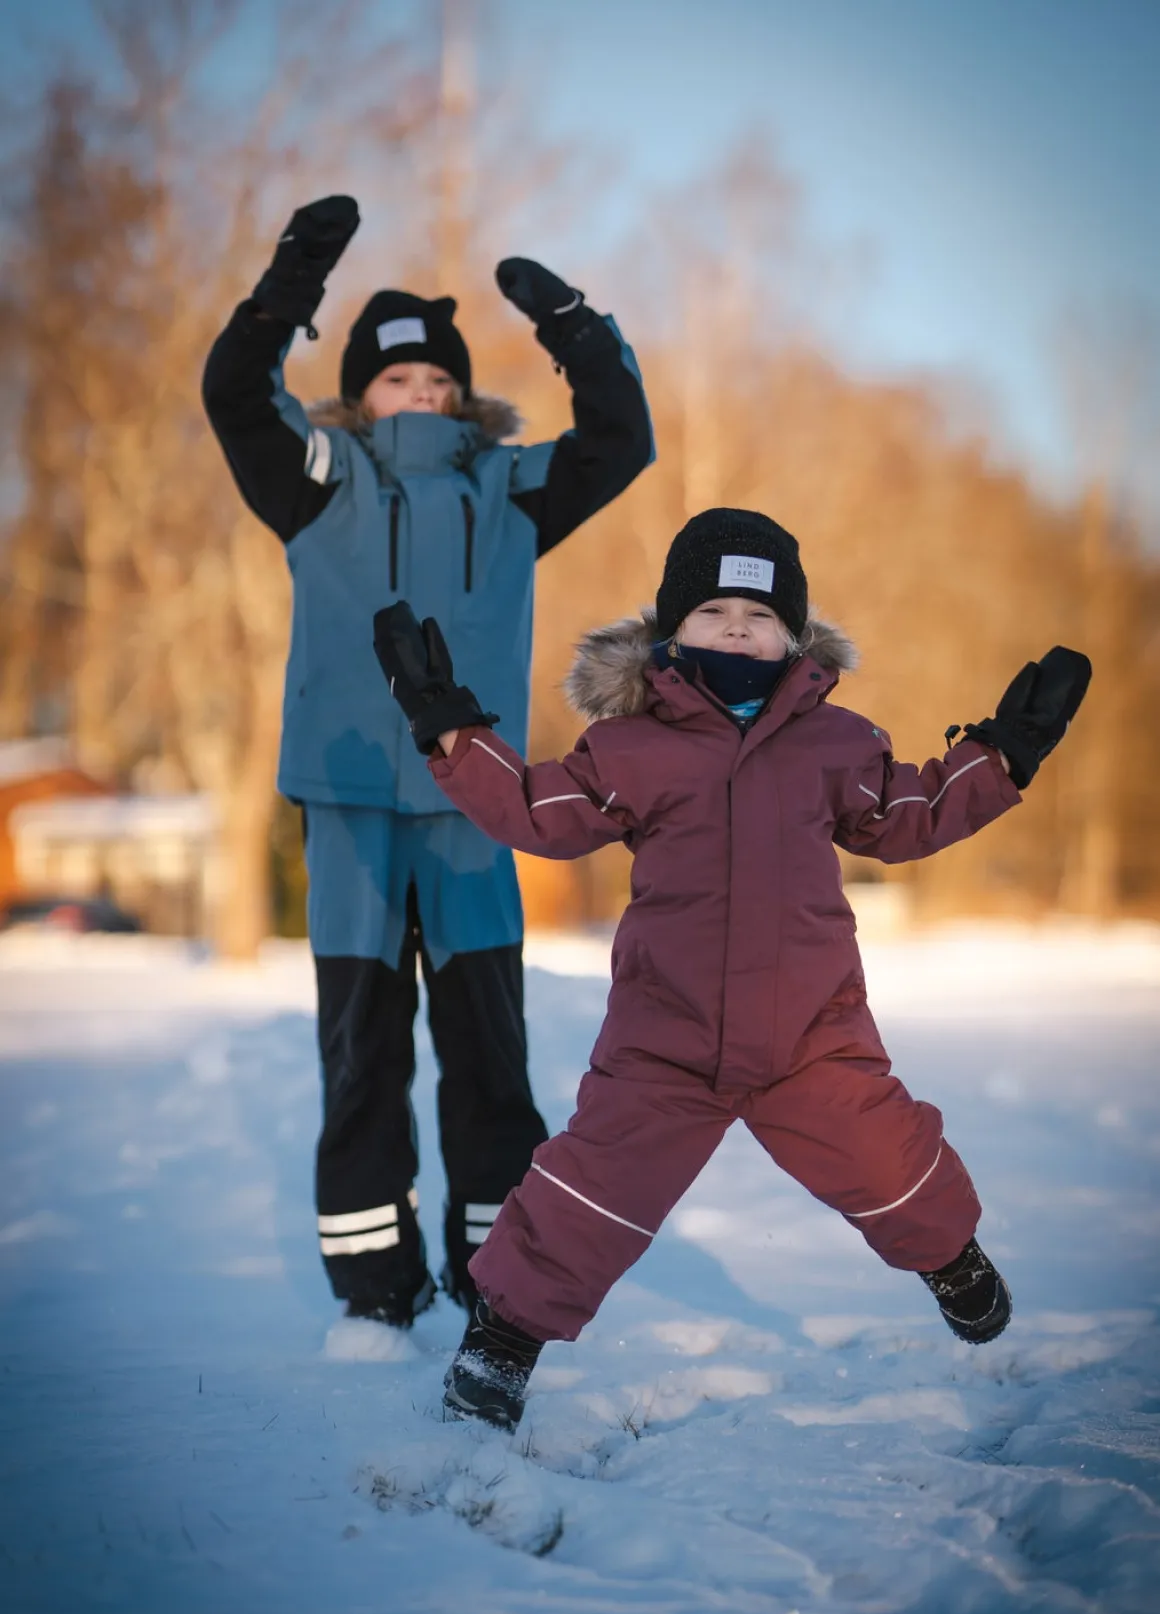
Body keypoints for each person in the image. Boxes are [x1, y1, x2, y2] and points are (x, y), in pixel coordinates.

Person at [373, 506, 1092, 1427]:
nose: (738, 629)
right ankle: (502, 1342)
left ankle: (952, 1256)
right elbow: (535, 807)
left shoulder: (837, 741)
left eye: (761, 617)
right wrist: (450, 732)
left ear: (796, 636)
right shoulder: (632, 745)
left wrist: (1001, 755)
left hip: (809, 1039)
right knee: (584, 1193)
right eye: (714, 613)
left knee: (891, 1157)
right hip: (663, 1041)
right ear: (671, 632)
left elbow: (911, 809)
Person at [202, 195, 653, 1328]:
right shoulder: (316, 474)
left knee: (488, 1052)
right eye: (401, 381)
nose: (422, 395)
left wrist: (573, 325)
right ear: (361, 394)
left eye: (440, 383)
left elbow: (621, 438)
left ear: (463, 398)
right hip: (349, 797)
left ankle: (500, 1270)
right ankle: (375, 1287)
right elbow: (230, 391)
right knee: (361, 1055)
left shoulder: (510, 488)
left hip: (474, 801)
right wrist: (293, 278)